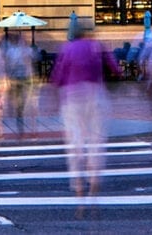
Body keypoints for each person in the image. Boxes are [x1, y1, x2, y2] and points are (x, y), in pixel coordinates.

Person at [50, 19, 119, 206]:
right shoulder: (98, 46)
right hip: (95, 93)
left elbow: (57, 76)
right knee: (96, 139)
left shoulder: (67, 48)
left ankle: (78, 184)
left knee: (74, 141)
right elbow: (116, 70)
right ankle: (94, 178)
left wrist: (54, 100)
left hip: (71, 96)